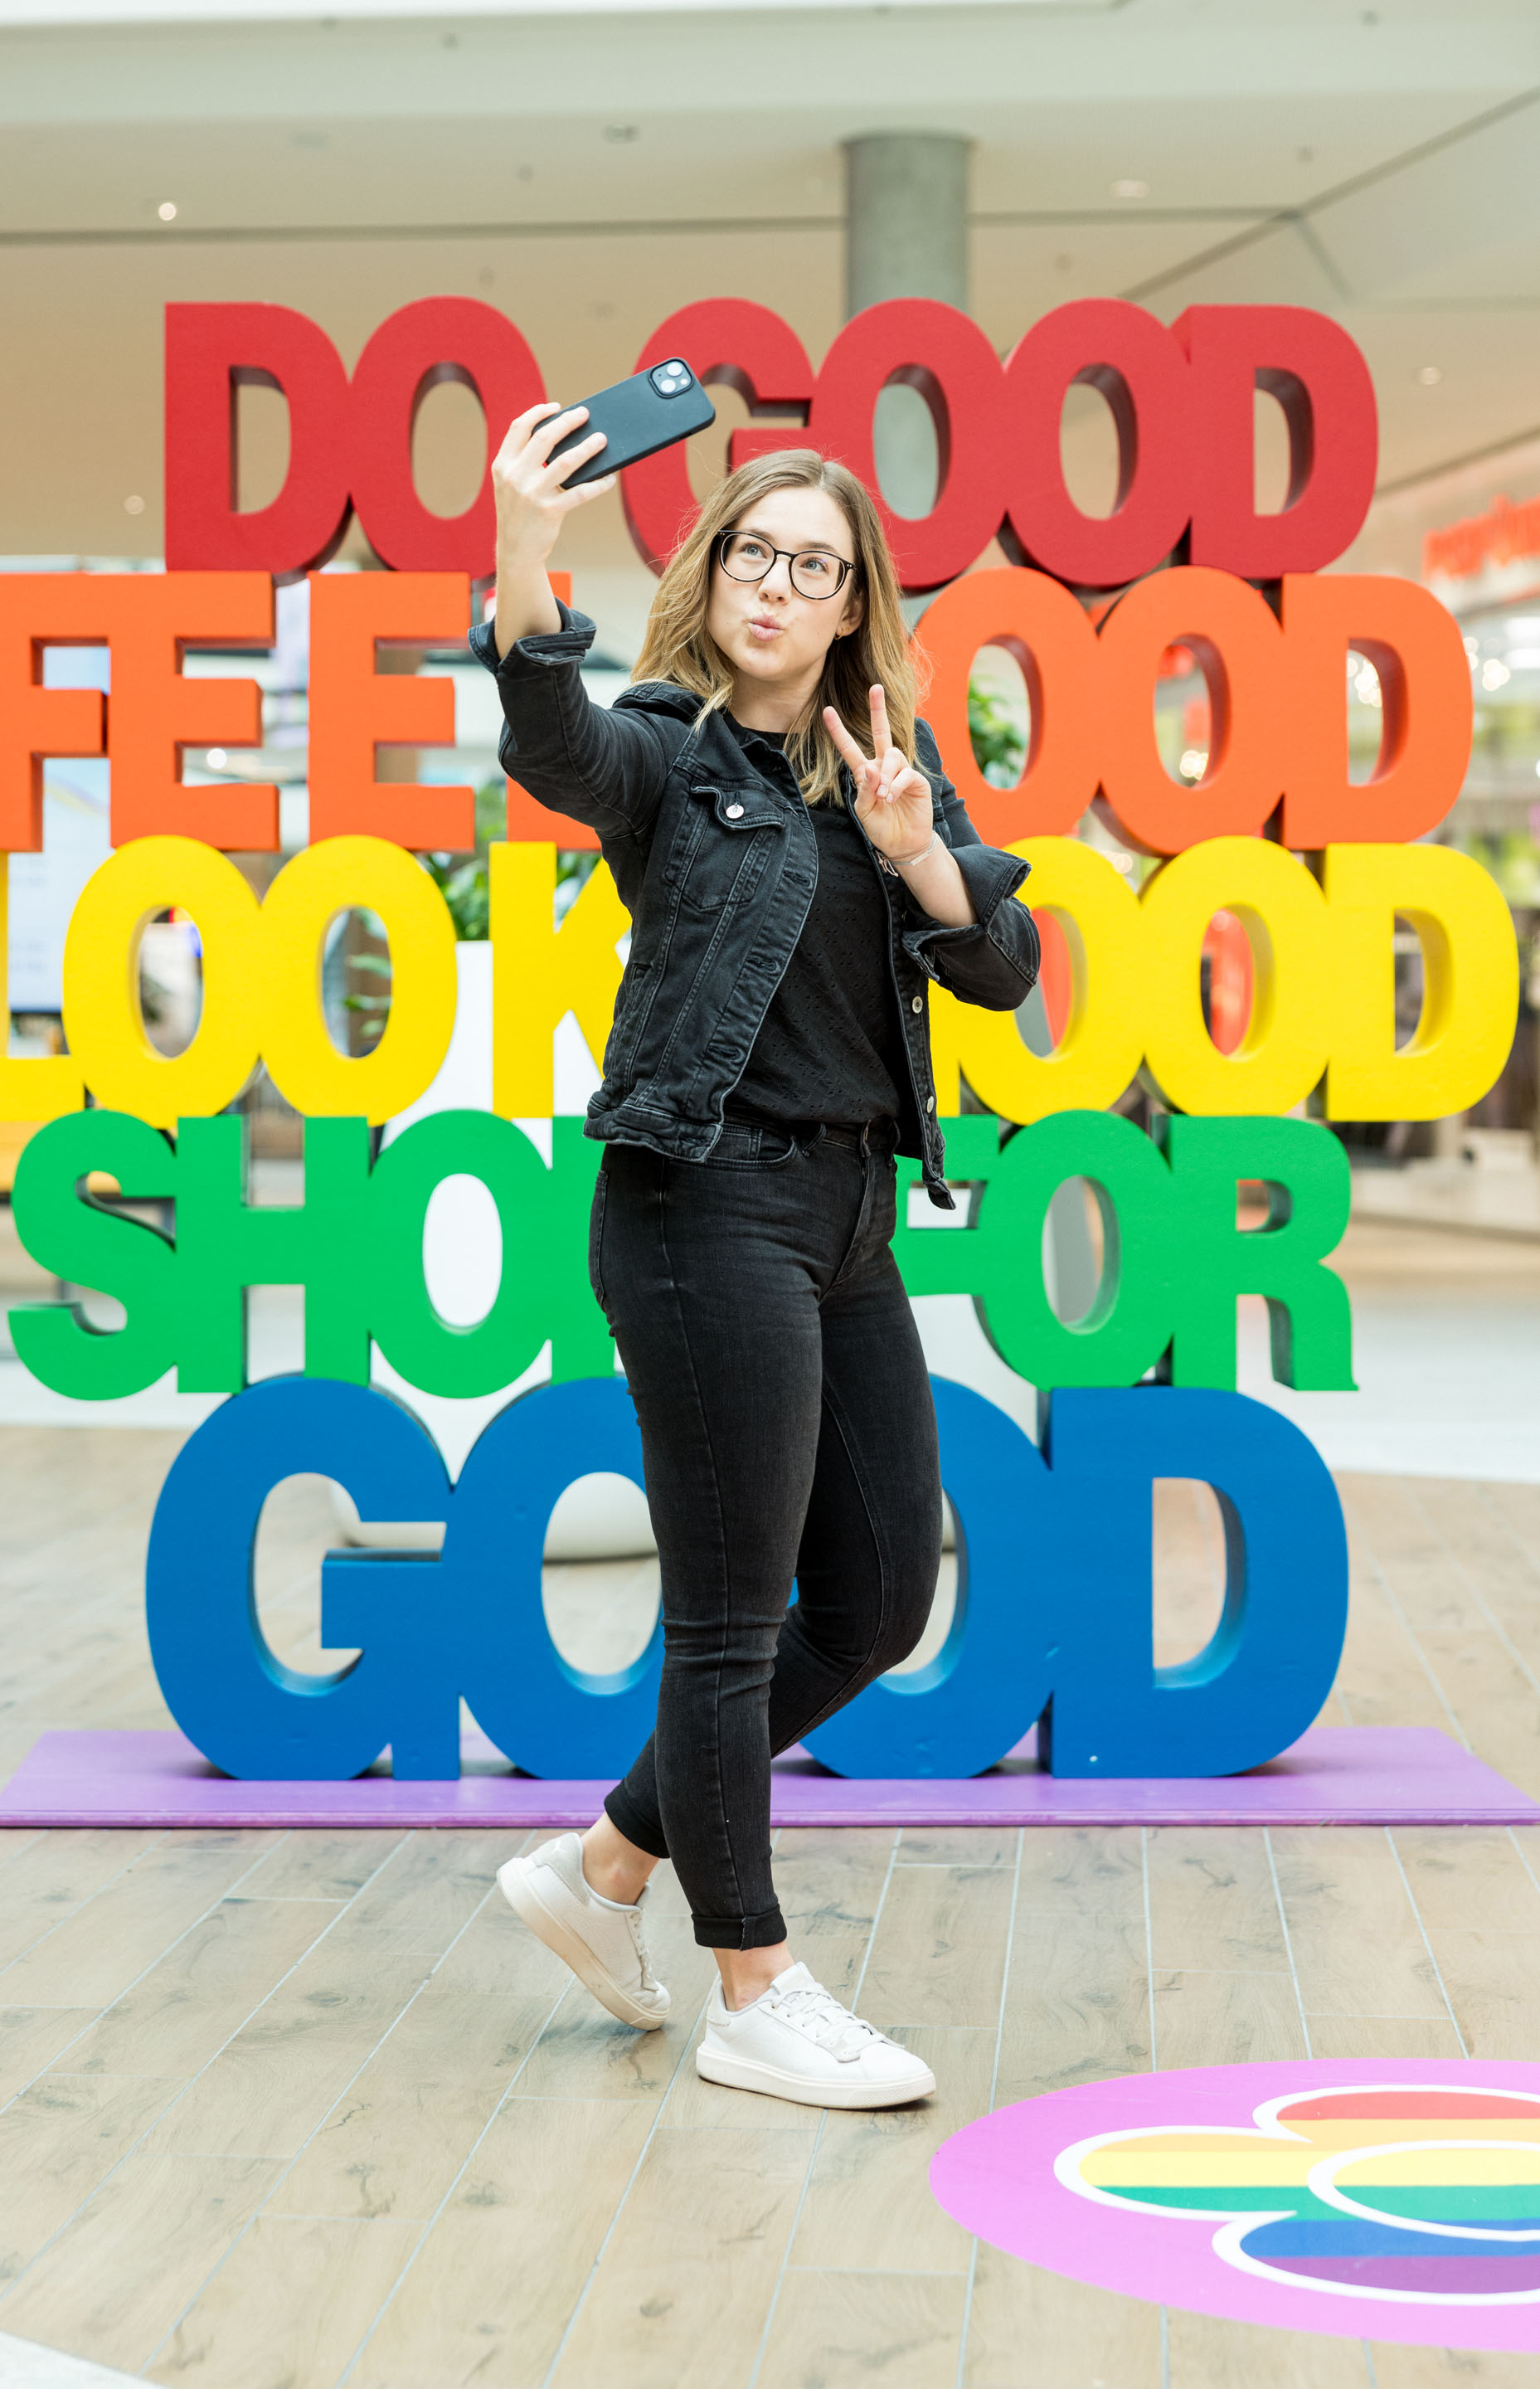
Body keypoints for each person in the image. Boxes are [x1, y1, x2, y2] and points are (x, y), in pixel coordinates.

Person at [482, 401, 1038, 2110]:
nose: (779, 584)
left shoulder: (884, 767)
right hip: (698, 1205)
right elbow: (555, 749)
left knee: (871, 1598)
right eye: (753, 554)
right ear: (712, 576)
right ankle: (751, 1985)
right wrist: (520, 553)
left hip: (852, 1218)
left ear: (855, 597)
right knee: (726, 1625)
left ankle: (605, 1866)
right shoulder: (666, 750)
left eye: (814, 563)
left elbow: (1001, 970)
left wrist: (914, 847)